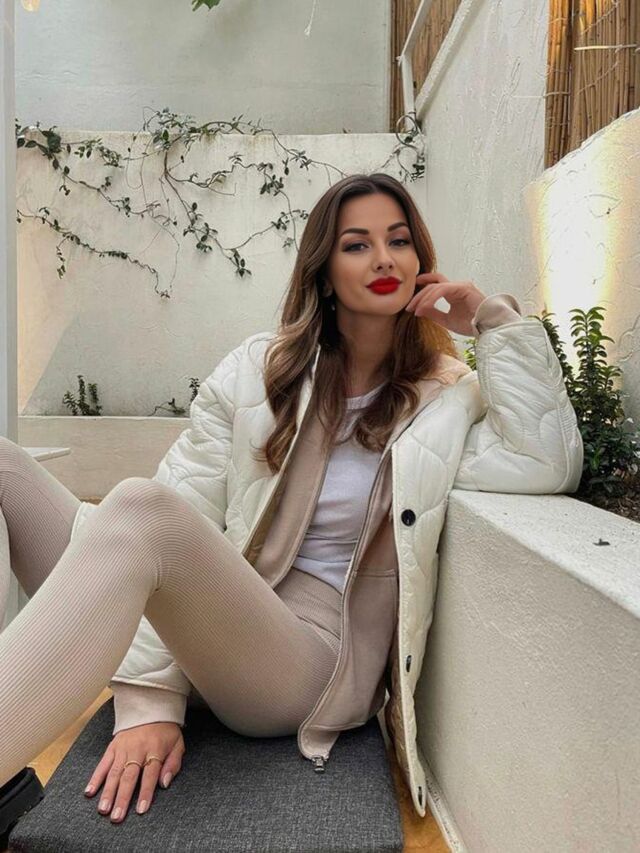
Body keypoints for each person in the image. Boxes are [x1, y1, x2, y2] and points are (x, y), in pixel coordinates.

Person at [0, 172, 584, 827]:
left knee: (140, 510)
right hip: (216, 614)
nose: (384, 259)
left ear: (420, 259)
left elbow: (546, 461)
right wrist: (153, 697)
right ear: (324, 273)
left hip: (307, 660)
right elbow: (189, 503)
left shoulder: (445, 398)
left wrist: (492, 322)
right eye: (357, 245)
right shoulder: (257, 370)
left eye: (398, 241)